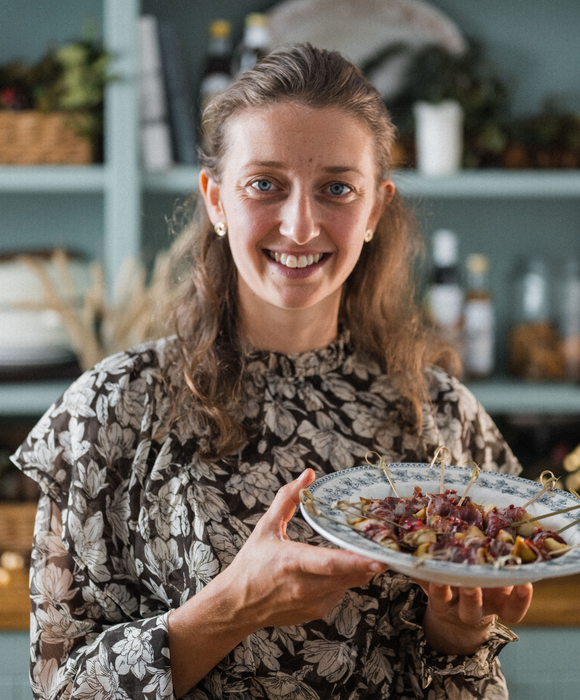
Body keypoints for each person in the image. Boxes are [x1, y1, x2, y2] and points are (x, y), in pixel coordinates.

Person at [12, 44, 533, 700]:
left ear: (374, 210)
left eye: (338, 189)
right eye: (265, 184)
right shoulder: (110, 410)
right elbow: (59, 687)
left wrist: (456, 637)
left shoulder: (444, 416)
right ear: (216, 199)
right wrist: (233, 606)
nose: (300, 223)